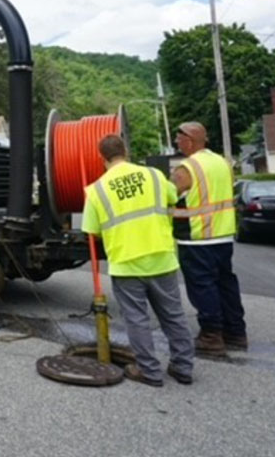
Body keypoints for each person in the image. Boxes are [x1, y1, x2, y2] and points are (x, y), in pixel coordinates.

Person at [82, 134, 194, 387]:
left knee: (137, 319)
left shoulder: (97, 189)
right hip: (161, 258)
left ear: (101, 158)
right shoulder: (154, 175)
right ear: (126, 151)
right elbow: (173, 197)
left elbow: (92, 231)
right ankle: (183, 368)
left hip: (126, 263)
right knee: (173, 316)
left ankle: (150, 371)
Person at [171, 122, 247, 355]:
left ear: (190, 141)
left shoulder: (187, 168)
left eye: (179, 138)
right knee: (225, 283)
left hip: (197, 237)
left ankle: (211, 336)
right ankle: (235, 332)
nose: (176, 142)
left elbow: (170, 195)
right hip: (223, 236)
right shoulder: (222, 163)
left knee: (203, 286)